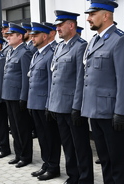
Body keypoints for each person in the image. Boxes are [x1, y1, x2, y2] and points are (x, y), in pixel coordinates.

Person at [82, 0, 124, 184]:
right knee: (105, 159)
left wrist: (122, 112)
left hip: (112, 113)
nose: (89, 18)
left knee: (118, 161)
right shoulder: (95, 41)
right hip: (95, 111)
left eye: (92, 14)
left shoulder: (120, 40)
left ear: (106, 16)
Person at [48, 10, 93, 184]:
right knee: (67, 144)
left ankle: (85, 178)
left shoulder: (80, 46)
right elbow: (55, 78)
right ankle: (73, 175)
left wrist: (77, 106)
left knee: (80, 145)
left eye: (60, 25)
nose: (57, 28)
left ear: (71, 25)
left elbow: (81, 79)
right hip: (59, 105)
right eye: (57, 25)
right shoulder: (60, 46)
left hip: (72, 105)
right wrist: (52, 104)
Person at [27, 22, 61, 181]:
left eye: (35, 35)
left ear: (45, 36)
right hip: (35, 103)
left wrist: (49, 104)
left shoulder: (51, 54)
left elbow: (50, 82)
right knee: (42, 136)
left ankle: (53, 166)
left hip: (45, 104)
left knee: (51, 137)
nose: (32, 38)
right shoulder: (37, 53)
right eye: (32, 35)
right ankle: (46, 163)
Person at [2, 23, 33, 168]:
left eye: (11, 35)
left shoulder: (25, 52)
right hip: (9, 95)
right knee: (14, 128)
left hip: (18, 96)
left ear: (20, 37)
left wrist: (23, 97)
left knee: (22, 128)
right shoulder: (11, 51)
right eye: (7, 35)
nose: (8, 37)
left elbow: (26, 77)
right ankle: (18, 154)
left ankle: (26, 156)